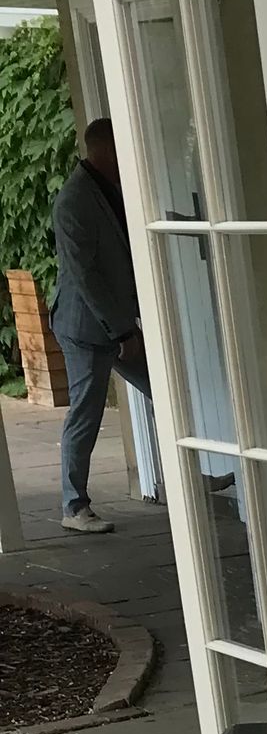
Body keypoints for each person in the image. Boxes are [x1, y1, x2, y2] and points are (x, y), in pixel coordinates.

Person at [51, 118, 152, 537]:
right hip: (86, 330)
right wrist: (122, 332)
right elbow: (86, 276)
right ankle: (73, 506)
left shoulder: (110, 188)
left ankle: (195, 476)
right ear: (103, 151)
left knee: (166, 391)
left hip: (116, 324)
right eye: (121, 149)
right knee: (85, 414)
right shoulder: (74, 201)